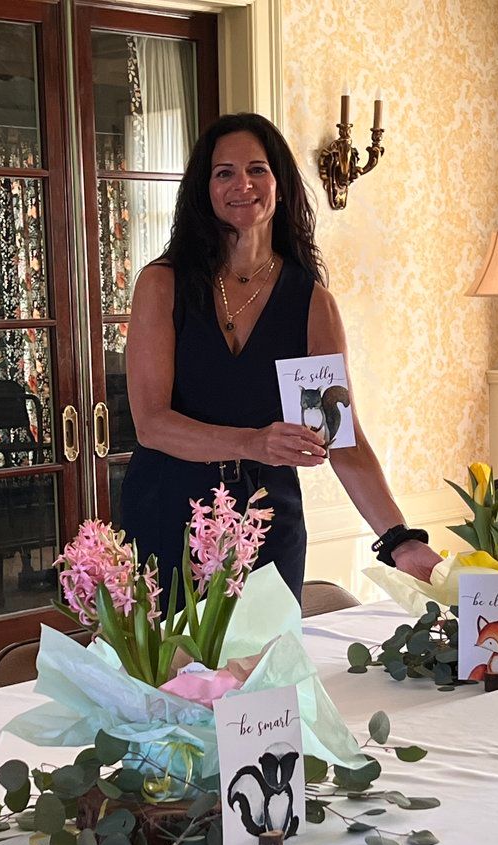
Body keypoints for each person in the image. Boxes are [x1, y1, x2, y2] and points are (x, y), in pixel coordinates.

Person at [122, 112, 440, 606]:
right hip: (168, 514)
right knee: (170, 658)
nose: (242, 184)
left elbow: (339, 438)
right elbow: (151, 424)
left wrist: (401, 540)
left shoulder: (311, 303)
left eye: (257, 169)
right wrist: (252, 442)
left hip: (267, 523)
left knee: (267, 656)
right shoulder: (162, 284)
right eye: (224, 173)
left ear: (280, 185)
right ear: (204, 190)